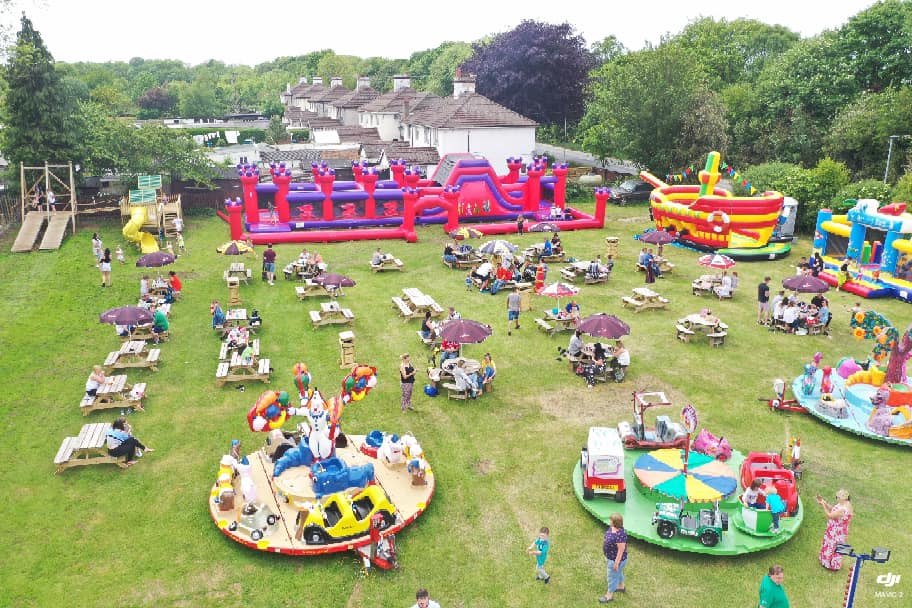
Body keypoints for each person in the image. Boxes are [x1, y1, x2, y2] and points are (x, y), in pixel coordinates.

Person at [817, 489, 853, 570]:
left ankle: (830, 564)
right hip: (837, 530)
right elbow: (834, 509)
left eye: (838, 497)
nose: (837, 498)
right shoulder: (845, 504)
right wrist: (825, 503)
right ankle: (828, 562)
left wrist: (823, 505)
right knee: (832, 545)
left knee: (832, 546)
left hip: (836, 532)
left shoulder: (843, 509)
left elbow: (830, 515)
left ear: (844, 498)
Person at [600, 513, 628, 603]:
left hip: (616, 560)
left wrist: (616, 563)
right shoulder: (612, 528)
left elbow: (621, 550)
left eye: (611, 520)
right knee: (618, 573)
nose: (609, 521)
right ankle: (621, 587)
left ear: (615, 522)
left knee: (612, 577)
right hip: (610, 557)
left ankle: (609, 596)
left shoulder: (620, 535)